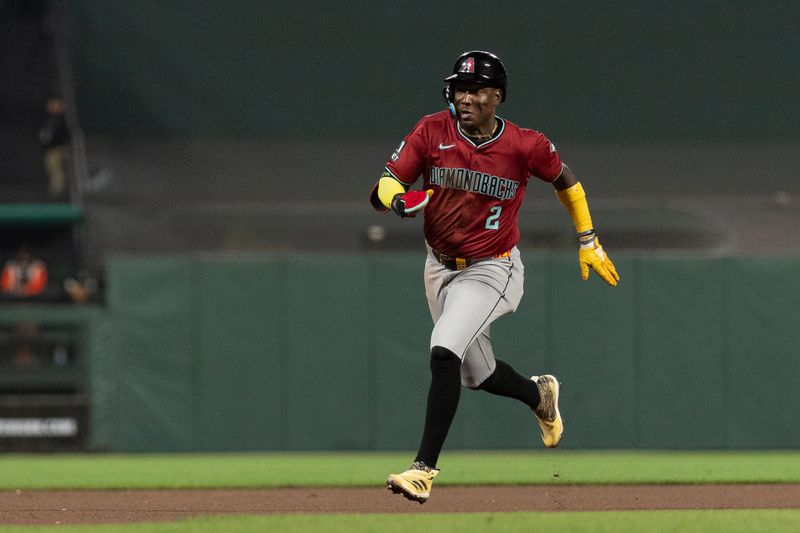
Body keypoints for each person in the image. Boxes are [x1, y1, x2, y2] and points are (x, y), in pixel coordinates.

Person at [369, 50, 619, 504]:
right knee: (475, 374)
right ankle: (537, 394)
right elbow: (388, 180)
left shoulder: (525, 145)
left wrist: (588, 238)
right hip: (438, 265)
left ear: (496, 96)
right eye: (459, 88)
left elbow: (568, 183)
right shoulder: (432, 130)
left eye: (475, 90)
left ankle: (423, 470)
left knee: (443, 350)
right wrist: (397, 200)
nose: (464, 97)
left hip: (492, 267)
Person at [38, 96, 71, 200]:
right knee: (52, 169)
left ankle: (57, 191)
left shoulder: (60, 120)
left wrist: (63, 147)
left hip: (56, 149)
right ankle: (55, 190)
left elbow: (64, 135)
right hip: (50, 149)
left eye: (54, 105)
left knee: (56, 170)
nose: (51, 107)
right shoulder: (50, 119)